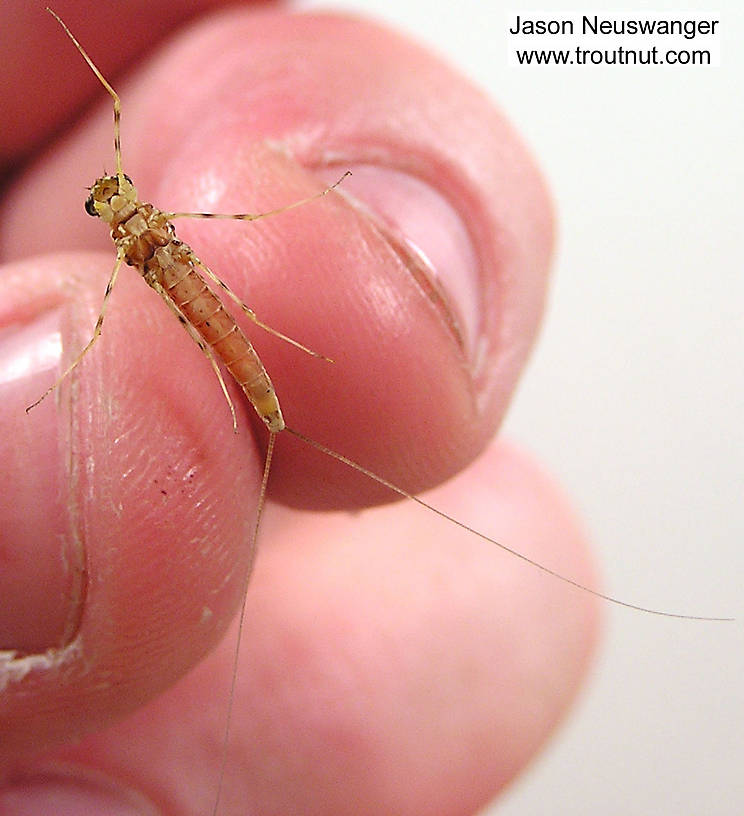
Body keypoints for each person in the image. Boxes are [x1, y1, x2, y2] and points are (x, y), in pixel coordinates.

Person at [0, 3, 598, 813]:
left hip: (195, 288)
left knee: (227, 320)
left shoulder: (137, 227)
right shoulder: (127, 244)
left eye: (110, 195)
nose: (110, 196)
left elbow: (140, 129)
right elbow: (126, 292)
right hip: (179, 293)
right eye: (105, 201)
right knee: (191, 345)